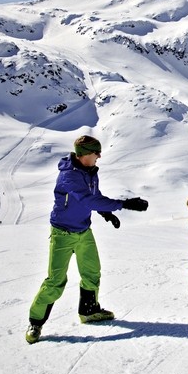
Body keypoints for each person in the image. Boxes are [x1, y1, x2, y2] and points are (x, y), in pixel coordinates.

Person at [25, 135, 149, 344]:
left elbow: (95, 195)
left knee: (92, 272)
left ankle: (89, 311)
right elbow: (87, 199)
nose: (99, 156)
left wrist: (105, 213)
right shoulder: (69, 176)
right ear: (83, 155)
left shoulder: (90, 173)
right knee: (55, 281)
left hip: (84, 230)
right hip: (62, 234)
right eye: (96, 153)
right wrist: (124, 204)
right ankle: (35, 323)